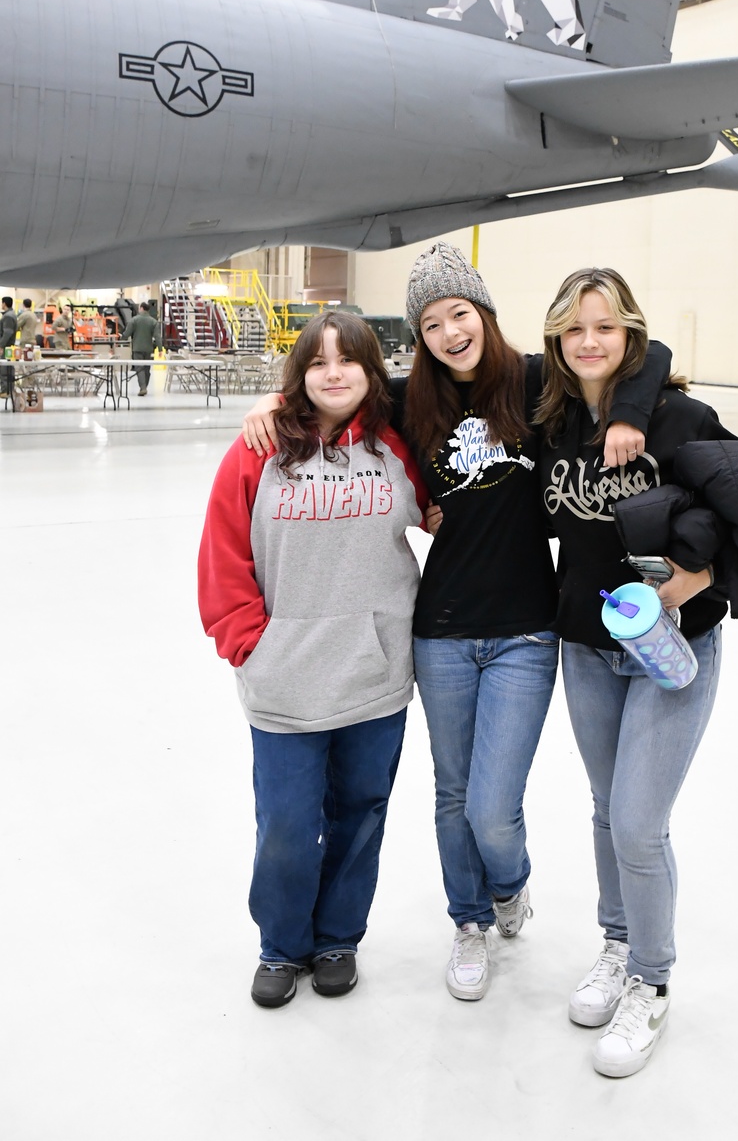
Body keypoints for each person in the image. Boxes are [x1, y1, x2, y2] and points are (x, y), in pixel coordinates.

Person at [243, 242, 667, 1003]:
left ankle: (510, 881)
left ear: (484, 314)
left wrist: (631, 414)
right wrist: (273, 405)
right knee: (449, 793)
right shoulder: (412, 400)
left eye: (459, 313)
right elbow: (337, 396)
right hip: (438, 629)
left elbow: (646, 352)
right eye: (432, 322)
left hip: (527, 630)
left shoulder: (537, 382)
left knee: (491, 807)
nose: (448, 331)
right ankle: (468, 922)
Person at [537, 267, 738, 1080]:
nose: (590, 342)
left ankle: (651, 979)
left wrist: (690, 582)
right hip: (587, 646)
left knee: (638, 822)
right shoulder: (551, 421)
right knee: (602, 809)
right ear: (557, 337)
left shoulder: (679, 416)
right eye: (576, 328)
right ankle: (617, 945)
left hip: (671, 652)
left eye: (607, 328)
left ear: (631, 336)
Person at [199, 311, 428, 1008]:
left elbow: (450, 513)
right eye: (318, 362)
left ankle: (337, 938)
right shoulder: (259, 448)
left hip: (374, 674)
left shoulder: (397, 446)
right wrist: (249, 644)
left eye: (349, 360)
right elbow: (223, 552)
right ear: (297, 375)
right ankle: (281, 944)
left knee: (361, 813)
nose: (334, 374)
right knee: (288, 827)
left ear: (371, 370)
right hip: (285, 679)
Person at [122, 302, 162, 395]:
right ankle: (145, 387)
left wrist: (121, 337)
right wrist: (160, 349)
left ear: (141, 308)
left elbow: (127, 333)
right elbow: (157, 336)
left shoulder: (134, 320)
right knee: (147, 369)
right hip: (148, 349)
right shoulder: (153, 321)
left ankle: (143, 388)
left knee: (139, 368)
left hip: (137, 348)